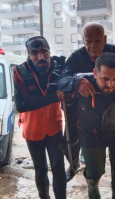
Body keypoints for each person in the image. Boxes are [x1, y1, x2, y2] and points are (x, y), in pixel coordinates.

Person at [57, 22, 115, 181]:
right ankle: (73, 163)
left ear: (104, 39)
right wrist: (78, 82)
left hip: (114, 100)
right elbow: (62, 79)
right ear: (83, 40)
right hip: (86, 105)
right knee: (70, 132)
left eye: (96, 41)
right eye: (88, 41)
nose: (92, 46)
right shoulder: (77, 56)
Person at [75, 52, 115, 199]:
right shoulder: (81, 84)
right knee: (94, 171)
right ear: (95, 73)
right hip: (91, 134)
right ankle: (92, 185)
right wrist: (75, 83)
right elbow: (61, 81)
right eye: (105, 79)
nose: (110, 84)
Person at [13, 36, 67, 199]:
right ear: (28, 54)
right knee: (41, 168)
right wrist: (54, 98)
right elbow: (21, 105)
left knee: (58, 166)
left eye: (44, 51)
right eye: (34, 53)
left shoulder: (59, 68)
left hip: (54, 128)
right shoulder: (19, 72)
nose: (40, 56)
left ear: (49, 51)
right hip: (32, 130)